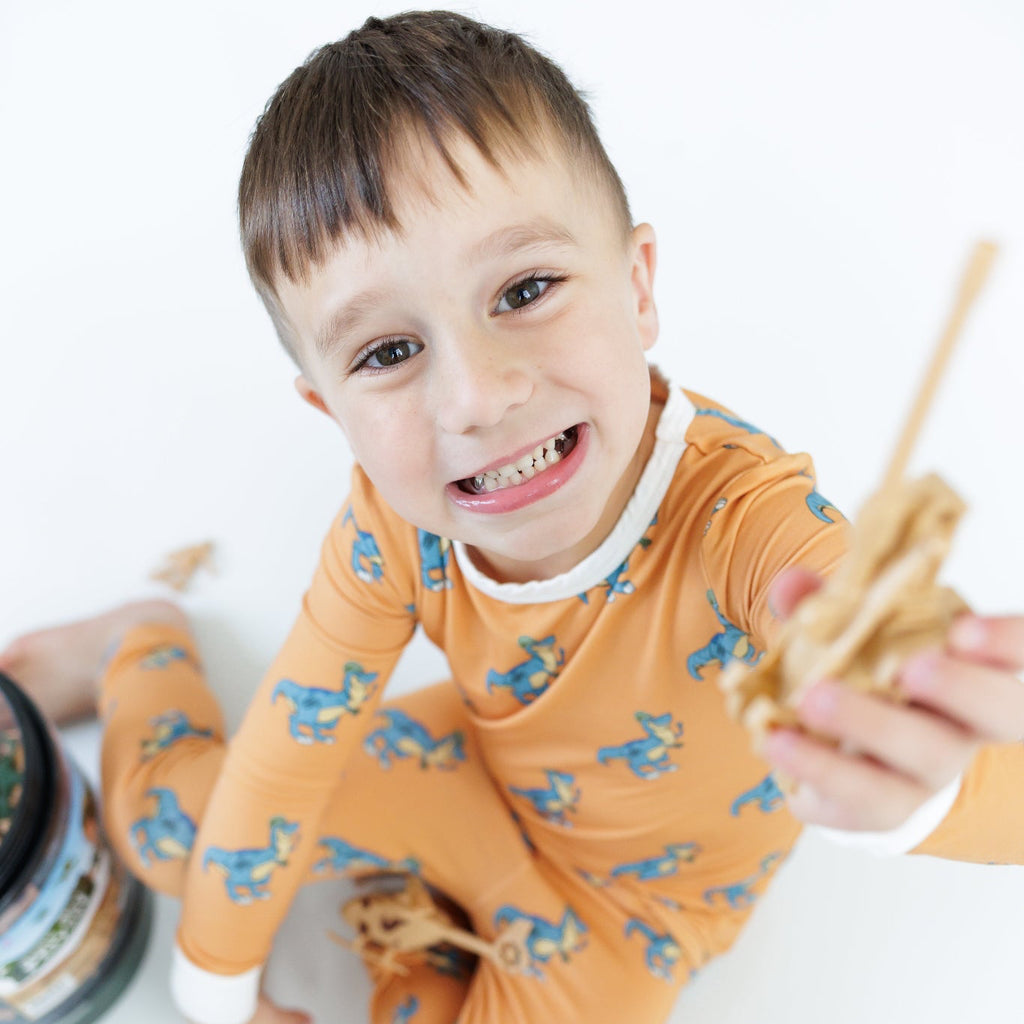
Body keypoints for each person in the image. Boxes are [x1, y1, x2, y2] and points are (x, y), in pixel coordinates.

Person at [4, 11, 1024, 1024]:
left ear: (636, 287)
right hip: (467, 784)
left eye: (525, 288)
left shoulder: (750, 523)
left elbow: (975, 762)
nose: (476, 399)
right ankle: (140, 640)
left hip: (640, 916)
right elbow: (283, 759)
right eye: (386, 353)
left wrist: (917, 783)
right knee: (168, 833)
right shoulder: (391, 527)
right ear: (328, 409)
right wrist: (215, 993)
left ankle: (408, 926)